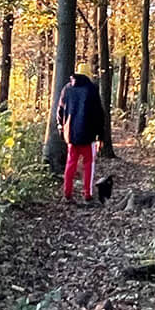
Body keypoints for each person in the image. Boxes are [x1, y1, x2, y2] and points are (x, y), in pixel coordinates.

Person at [56, 63, 106, 204]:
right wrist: (100, 135)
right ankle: (88, 195)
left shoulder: (67, 88)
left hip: (71, 134)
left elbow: (59, 110)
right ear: (88, 75)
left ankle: (67, 194)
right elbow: (98, 114)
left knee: (70, 163)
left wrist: (60, 126)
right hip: (87, 134)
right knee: (88, 163)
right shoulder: (91, 89)